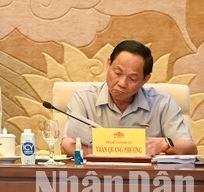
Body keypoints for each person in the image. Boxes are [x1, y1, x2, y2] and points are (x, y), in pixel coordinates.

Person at [60, 40, 197, 156]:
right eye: (118, 73)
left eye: (132, 78)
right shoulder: (84, 99)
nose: (122, 83)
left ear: (145, 79)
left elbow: (190, 148)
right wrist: (111, 152)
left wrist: (163, 143)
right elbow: (67, 143)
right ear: (108, 64)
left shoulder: (162, 103)